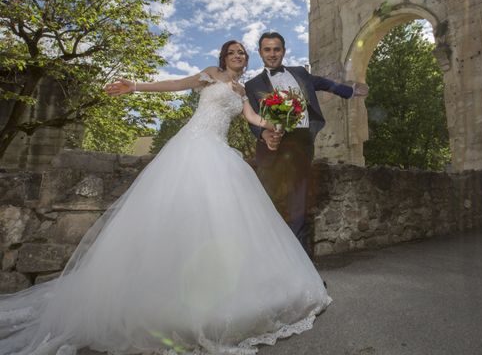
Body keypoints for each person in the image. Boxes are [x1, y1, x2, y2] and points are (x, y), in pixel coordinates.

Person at [0, 41, 331, 355]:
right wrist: (136, 87)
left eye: (242, 53)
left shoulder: (243, 92)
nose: (238, 56)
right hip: (193, 147)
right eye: (233, 52)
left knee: (222, 220)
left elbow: (252, 118)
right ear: (223, 57)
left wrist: (275, 125)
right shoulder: (208, 76)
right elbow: (175, 84)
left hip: (221, 152)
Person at [244, 32, 368, 254]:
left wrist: (348, 90)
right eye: (267, 49)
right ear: (261, 53)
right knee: (266, 205)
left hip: (300, 142)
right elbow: (252, 116)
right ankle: (266, 261)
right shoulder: (252, 85)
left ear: (283, 50)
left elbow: (321, 82)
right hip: (271, 147)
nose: (272, 54)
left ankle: (302, 269)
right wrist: (264, 135)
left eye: (277, 49)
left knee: (298, 206)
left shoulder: (300, 73)